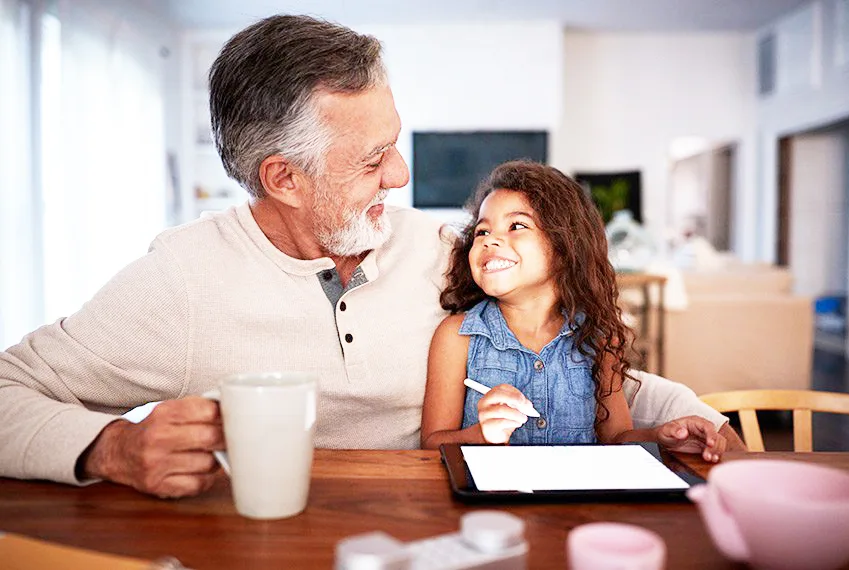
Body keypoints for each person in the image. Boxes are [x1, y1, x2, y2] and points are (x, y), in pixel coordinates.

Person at [0, 15, 742, 499]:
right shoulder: (181, 283)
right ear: (283, 178)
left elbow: (578, 368)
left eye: (398, 143)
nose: (402, 176)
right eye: (373, 158)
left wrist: (694, 415)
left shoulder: (446, 254)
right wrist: (110, 447)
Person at [421, 161, 725, 462]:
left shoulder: (598, 338)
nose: (491, 240)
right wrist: (481, 436)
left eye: (517, 226)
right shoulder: (457, 336)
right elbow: (432, 444)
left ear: (564, 247)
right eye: (482, 231)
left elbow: (617, 440)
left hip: (579, 507)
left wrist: (659, 437)